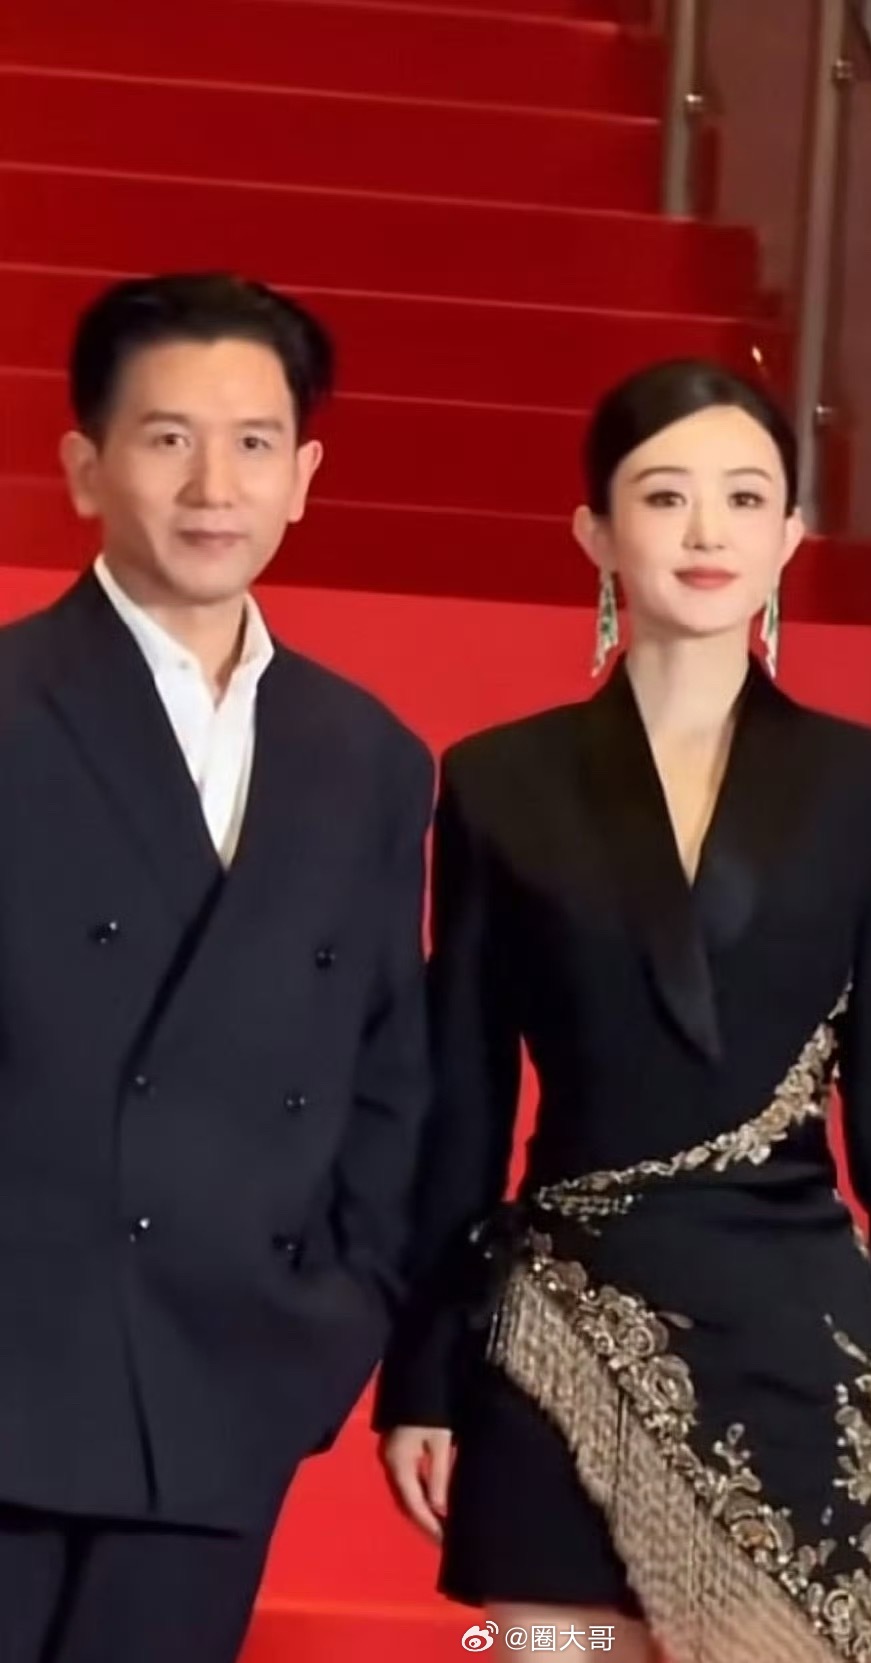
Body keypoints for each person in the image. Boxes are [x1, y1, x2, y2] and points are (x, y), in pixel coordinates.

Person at [376, 361, 871, 1662]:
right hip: (554, 1342)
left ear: (791, 536)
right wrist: (421, 1368)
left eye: (745, 498)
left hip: (799, 1339)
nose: (708, 531)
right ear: (595, 531)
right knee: (547, 1654)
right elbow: (463, 1100)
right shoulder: (498, 782)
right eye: (665, 496)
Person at [0, 273, 433, 1663]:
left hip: (221, 1370)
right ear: (85, 467)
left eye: (253, 443)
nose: (213, 485)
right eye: (168, 437)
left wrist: (342, 1312)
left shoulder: (367, 756)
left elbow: (388, 1069)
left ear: (303, 476)